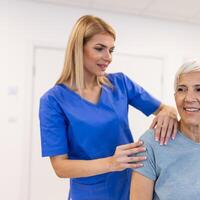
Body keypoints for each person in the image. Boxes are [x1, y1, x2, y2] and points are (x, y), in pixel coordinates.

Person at [39, 15, 178, 200]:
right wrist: (111, 163)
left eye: (111, 50)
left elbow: (164, 108)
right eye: (99, 49)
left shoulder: (120, 83)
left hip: (131, 188)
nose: (108, 57)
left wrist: (169, 113)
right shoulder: (53, 100)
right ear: (78, 49)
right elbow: (60, 167)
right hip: (90, 193)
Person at [130, 59, 200, 200]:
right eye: (181, 89)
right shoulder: (151, 142)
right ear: (175, 96)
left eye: (199, 89)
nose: (189, 98)